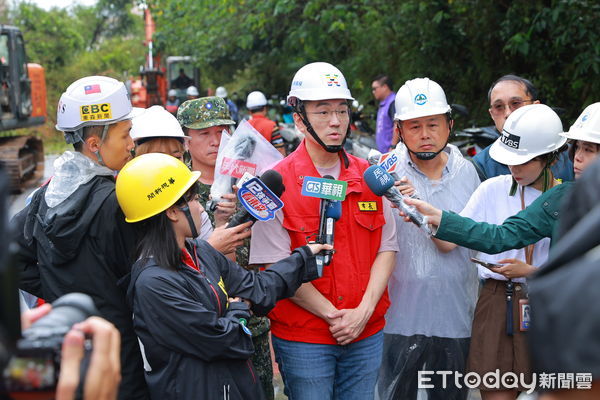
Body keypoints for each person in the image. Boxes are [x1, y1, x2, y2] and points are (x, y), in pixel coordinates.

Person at [117, 153, 330, 400]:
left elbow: (257, 289)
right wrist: (238, 311)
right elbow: (223, 339)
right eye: (195, 200)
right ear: (173, 212)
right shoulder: (153, 284)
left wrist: (303, 258)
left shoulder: (199, 252)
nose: (200, 208)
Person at [249, 61, 398, 400]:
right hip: (305, 338)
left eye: (342, 111)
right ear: (298, 119)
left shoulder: (369, 177)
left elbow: (387, 248)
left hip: (366, 333)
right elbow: (273, 266)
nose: (335, 121)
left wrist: (361, 315)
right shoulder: (276, 183)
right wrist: (335, 317)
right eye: (323, 112)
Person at [10, 76, 149, 399]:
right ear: (94, 145)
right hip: (118, 351)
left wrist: (59, 287)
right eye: (125, 134)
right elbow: (139, 281)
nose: (132, 143)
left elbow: (12, 254)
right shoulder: (119, 202)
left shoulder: (46, 199)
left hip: (68, 344)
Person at [430, 104, 566, 399]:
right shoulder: (492, 189)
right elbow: (449, 241)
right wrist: (422, 213)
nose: (513, 169)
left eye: (522, 162)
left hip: (548, 306)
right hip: (495, 301)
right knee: (496, 392)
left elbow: (577, 271)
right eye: (509, 161)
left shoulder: (566, 199)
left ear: (549, 157)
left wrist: (532, 272)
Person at [375, 77, 480, 400]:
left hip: (455, 317)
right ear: (400, 130)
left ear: (449, 125)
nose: (424, 135)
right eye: (414, 126)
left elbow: (468, 240)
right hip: (398, 318)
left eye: (432, 124)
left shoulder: (468, 173)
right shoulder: (385, 174)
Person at [402, 102, 600, 255]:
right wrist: (441, 218)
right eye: (578, 147)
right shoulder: (561, 198)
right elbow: (500, 237)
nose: (578, 157)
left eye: (589, 150)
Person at [177, 96, 274, 397]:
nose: (215, 141)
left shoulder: (250, 183)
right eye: (204, 133)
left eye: (221, 132)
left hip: (252, 320)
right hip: (202, 323)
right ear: (185, 140)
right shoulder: (177, 191)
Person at [471, 74, 574, 182]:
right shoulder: (480, 167)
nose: (508, 113)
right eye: (498, 106)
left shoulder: (572, 156)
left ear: (536, 106)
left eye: (515, 103)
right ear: (491, 114)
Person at [246, 90, 286, 156]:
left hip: (250, 165)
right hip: (270, 165)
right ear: (265, 109)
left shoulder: (245, 126)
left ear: (249, 111)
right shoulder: (272, 125)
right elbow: (280, 149)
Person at [372, 74, 396, 153]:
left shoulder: (393, 102)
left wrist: (393, 146)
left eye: (375, 88)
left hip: (392, 153)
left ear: (385, 87)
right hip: (384, 153)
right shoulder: (384, 104)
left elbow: (397, 124)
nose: (373, 92)